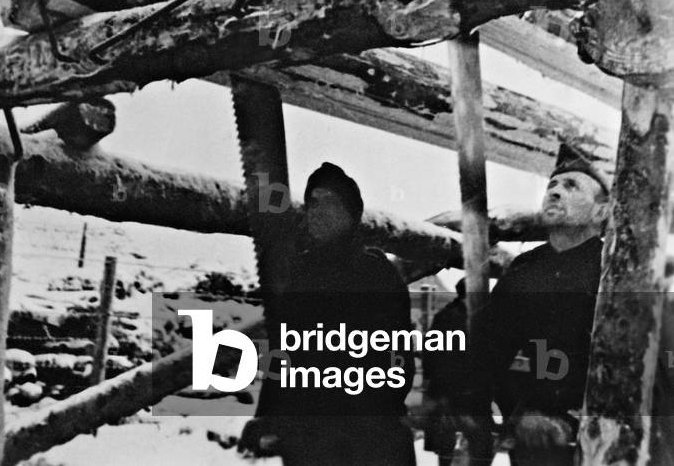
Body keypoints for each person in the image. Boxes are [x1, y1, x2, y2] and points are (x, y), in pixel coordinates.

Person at [238, 161, 417, 466]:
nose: (317, 211)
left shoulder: (375, 273)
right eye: (312, 202)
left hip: (369, 437)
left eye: (330, 202)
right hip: (310, 438)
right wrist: (267, 415)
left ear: (352, 214)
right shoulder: (298, 275)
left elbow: (397, 360)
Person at [458, 143, 610, 466]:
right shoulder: (525, 268)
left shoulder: (612, 269)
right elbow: (493, 347)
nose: (555, 192)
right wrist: (518, 411)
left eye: (571, 186)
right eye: (552, 185)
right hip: (532, 440)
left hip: (601, 440)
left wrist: (574, 417)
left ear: (601, 211)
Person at [422, 278, 469, 465]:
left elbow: (430, 350)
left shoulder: (444, 314)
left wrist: (428, 378)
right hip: (458, 382)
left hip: (444, 382)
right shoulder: (470, 317)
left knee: (446, 434)